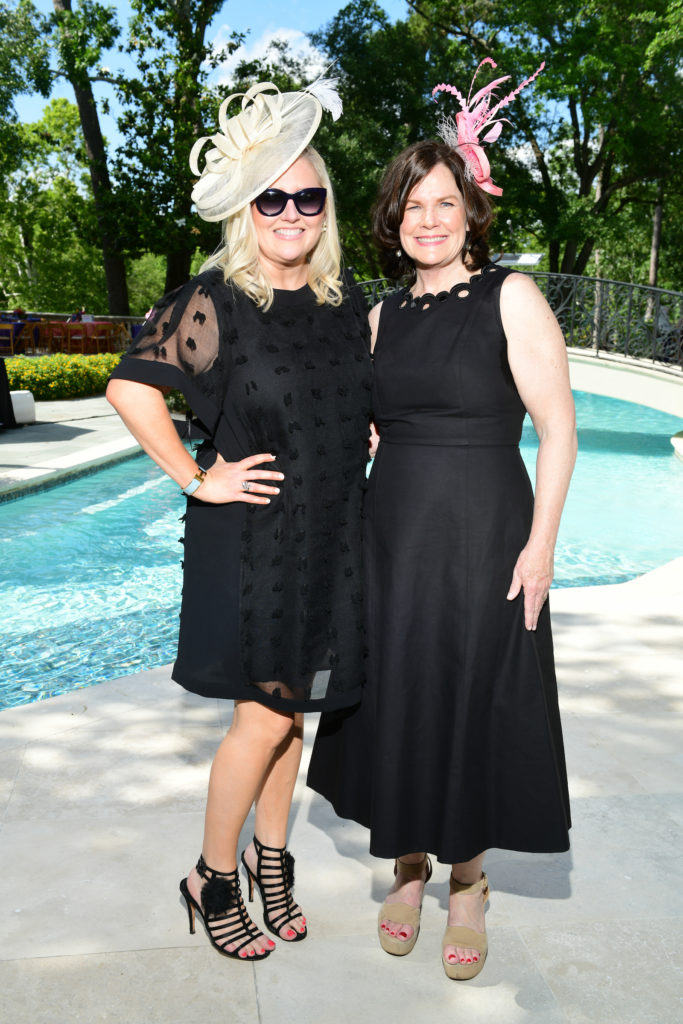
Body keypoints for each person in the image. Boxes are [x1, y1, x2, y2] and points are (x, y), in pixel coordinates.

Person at [307, 61, 577, 981]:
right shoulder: (379, 317)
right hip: (395, 534)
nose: (427, 220)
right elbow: (363, 422)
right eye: (412, 206)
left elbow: (557, 427)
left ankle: (467, 878)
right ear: (395, 220)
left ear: (469, 213)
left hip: (486, 530)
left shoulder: (512, 297)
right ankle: (407, 865)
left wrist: (540, 545)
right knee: (400, 695)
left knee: (473, 693)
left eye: (442, 204)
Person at [106, 79, 372, 962]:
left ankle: (271, 859)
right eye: (272, 197)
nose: (291, 212)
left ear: (326, 207)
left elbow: (349, 404)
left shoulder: (342, 306)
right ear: (246, 210)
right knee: (260, 719)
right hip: (253, 540)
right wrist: (194, 475)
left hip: (327, 537)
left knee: (291, 714)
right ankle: (211, 878)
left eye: (308, 196)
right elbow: (128, 385)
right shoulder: (215, 298)